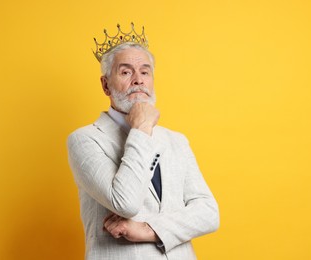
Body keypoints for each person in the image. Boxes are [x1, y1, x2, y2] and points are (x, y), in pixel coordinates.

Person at [67, 24, 219, 260]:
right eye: (126, 72)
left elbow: (209, 213)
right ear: (106, 84)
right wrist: (141, 128)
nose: (138, 80)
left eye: (145, 72)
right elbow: (125, 203)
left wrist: (148, 230)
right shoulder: (85, 140)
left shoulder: (176, 141)